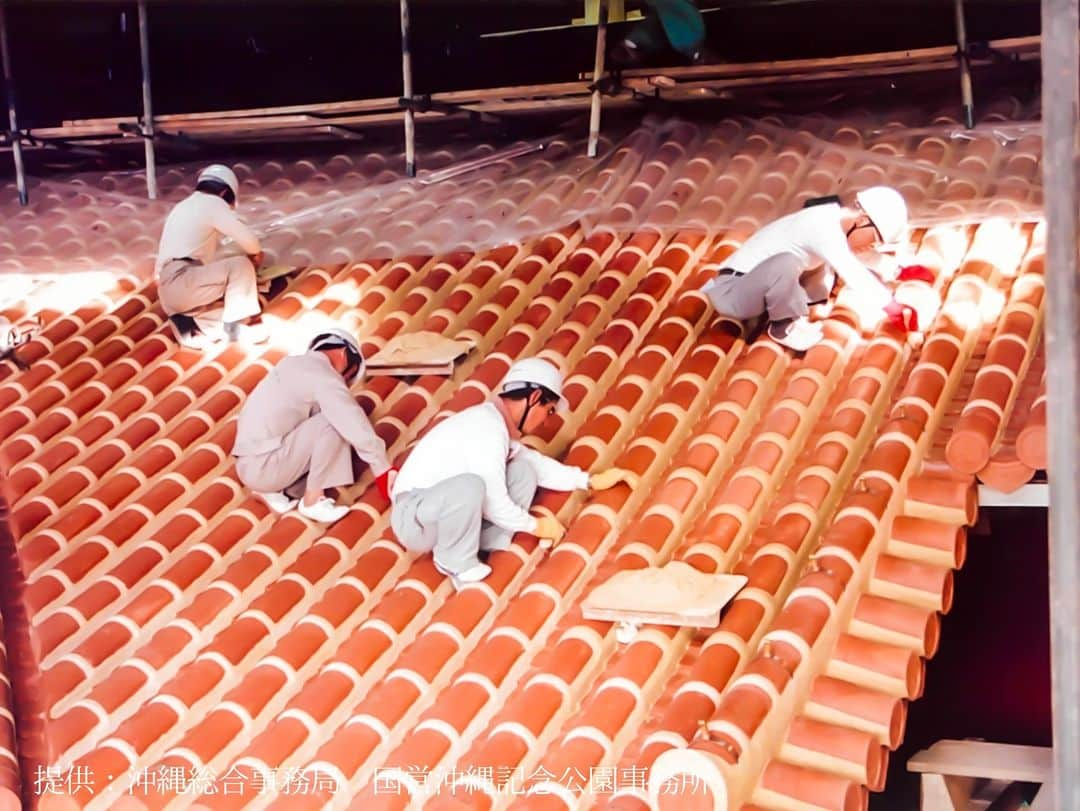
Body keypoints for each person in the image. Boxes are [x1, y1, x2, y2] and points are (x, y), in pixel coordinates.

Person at [389, 357, 639, 589]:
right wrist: (536, 526)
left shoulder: (497, 428)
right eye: (549, 410)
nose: (547, 421)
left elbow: (537, 464)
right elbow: (493, 498)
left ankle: (481, 542)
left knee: (523, 471)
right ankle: (452, 560)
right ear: (534, 397)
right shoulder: (486, 426)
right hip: (414, 517)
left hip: (443, 512)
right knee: (472, 486)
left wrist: (588, 481)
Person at [701, 185, 912, 352]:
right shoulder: (822, 228)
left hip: (755, 288)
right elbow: (853, 272)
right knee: (788, 262)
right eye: (875, 240)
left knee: (817, 268)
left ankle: (792, 312)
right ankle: (782, 328)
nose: (872, 246)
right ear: (863, 220)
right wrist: (892, 307)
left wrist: (897, 271)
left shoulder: (834, 223)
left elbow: (857, 253)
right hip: (733, 292)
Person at [232, 328, 392, 523]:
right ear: (343, 354)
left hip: (251, 465)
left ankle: (272, 490)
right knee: (334, 421)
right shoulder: (323, 374)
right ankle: (313, 501)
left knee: (323, 419)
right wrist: (382, 468)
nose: (344, 382)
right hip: (265, 466)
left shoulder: (291, 365)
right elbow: (350, 419)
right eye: (348, 378)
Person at [155, 163, 267, 347]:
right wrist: (255, 256)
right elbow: (248, 239)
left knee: (221, 310)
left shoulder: (182, 207)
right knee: (240, 265)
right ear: (224, 193)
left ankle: (192, 326)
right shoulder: (212, 203)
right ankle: (237, 324)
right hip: (183, 280)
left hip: (169, 294)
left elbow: (158, 274)